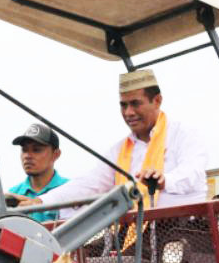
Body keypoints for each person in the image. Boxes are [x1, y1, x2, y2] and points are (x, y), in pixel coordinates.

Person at [21, 69, 207, 215]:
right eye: (123, 105)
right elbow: (88, 184)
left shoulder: (184, 135)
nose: (128, 113)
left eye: (135, 103)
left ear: (157, 101)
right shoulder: (118, 151)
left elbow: (192, 173)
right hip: (134, 237)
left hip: (183, 234)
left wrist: (164, 180)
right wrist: (40, 201)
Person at [7, 123, 69, 222]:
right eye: (24, 150)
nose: (27, 155)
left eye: (36, 150)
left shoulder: (70, 190)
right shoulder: (12, 194)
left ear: (56, 154)